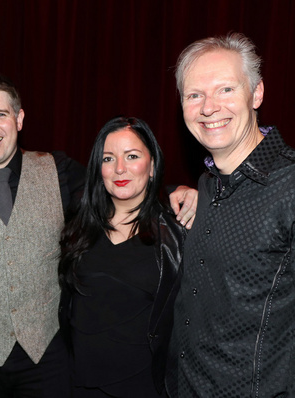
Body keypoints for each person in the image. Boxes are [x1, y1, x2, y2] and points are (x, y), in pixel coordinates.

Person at [0, 73, 197, 398]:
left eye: (1, 114)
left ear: (19, 119)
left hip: (48, 356)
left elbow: (113, 185)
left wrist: (179, 192)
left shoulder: (58, 171)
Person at [167, 33, 295, 397]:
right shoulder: (208, 185)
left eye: (225, 90)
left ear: (256, 94)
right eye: (194, 95)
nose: (209, 107)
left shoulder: (290, 188)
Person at [59, 116, 186, 398]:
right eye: (108, 158)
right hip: (80, 385)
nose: (119, 168)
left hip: (146, 387)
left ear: (152, 166)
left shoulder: (178, 232)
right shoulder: (78, 226)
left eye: (131, 156)